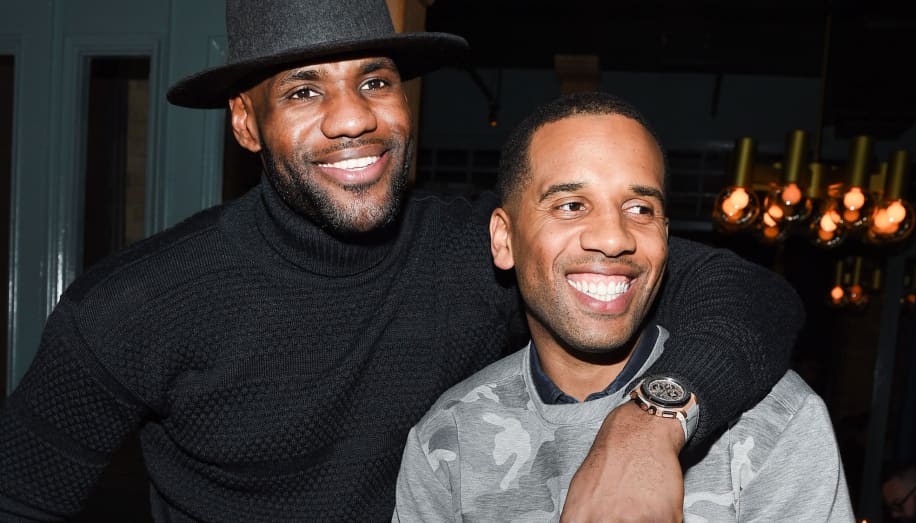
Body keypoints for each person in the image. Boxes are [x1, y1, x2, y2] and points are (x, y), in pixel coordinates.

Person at [0, 1, 803, 521]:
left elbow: (748, 293)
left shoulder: (474, 252)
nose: (353, 119)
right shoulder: (137, 305)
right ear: (246, 124)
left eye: (375, 80)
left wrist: (649, 425)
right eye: (305, 91)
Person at [393, 92, 854, 522]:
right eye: (572, 205)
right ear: (504, 239)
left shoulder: (776, 420)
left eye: (639, 209)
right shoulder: (447, 439)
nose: (614, 238)